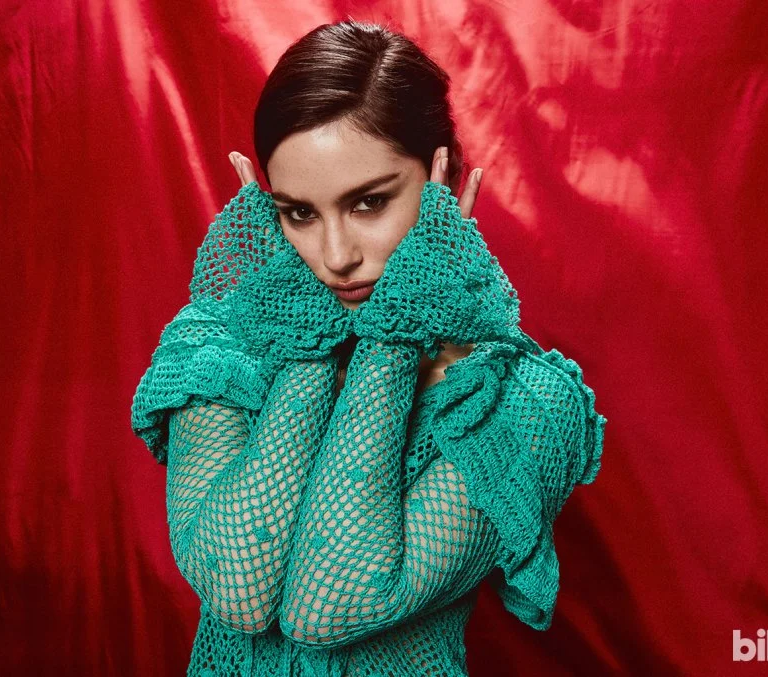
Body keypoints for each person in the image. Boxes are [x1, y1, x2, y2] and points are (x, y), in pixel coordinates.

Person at [131, 19, 606, 677]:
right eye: (299, 212)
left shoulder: (524, 402)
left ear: (444, 178)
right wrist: (306, 333)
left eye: (369, 203)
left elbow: (327, 606)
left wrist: (395, 333)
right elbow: (240, 589)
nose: (336, 256)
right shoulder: (217, 346)